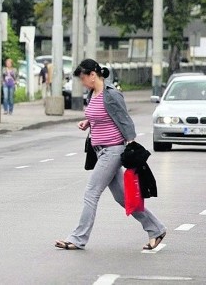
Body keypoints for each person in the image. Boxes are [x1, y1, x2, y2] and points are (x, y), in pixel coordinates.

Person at [55, 59, 166, 250]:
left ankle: (77, 238)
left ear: (93, 75)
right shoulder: (92, 94)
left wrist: (131, 145)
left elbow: (124, 119)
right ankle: (156, 229)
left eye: (83, 78)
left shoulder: (112, 94)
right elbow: (103, 116)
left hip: (113, 150)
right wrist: (87, 123)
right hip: (100, 151)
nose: (81, 82)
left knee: (91, 192)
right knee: (122, 198)